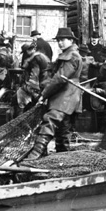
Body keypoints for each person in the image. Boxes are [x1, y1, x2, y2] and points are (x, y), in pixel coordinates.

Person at [26, 28, 83, 159]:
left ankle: (34, 156)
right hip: (67, 95)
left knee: (50, 121)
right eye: (58, 40)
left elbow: (60, 79)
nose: (60, 43)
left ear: (71, 40)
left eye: (63, 40)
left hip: (66, 95)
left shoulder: (71, 56)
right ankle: (61, 159)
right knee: (63, 130)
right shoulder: (68, 54)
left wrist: (44, 94)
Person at [16, 43, 51, 112]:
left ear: (27, 51)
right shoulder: (42, 56)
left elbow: (34, 76)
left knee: (21, 94)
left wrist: (28, 87)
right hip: (48, 82)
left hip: (41, 85)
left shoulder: (34, 59)